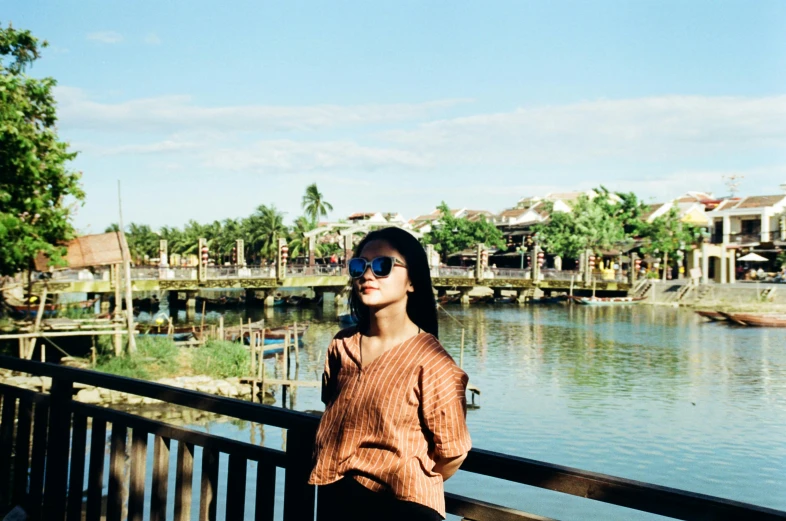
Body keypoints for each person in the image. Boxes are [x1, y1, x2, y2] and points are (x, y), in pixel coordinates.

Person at [309, 227, 471, 521]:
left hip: (402, 507)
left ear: (412, 281)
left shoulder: (433, 363)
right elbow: (332, 407)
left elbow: (452, 453)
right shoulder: (341, 345)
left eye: (382, 265)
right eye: (359, 266)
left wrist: (407, 477)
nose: (367, 275)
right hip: (337, 497)